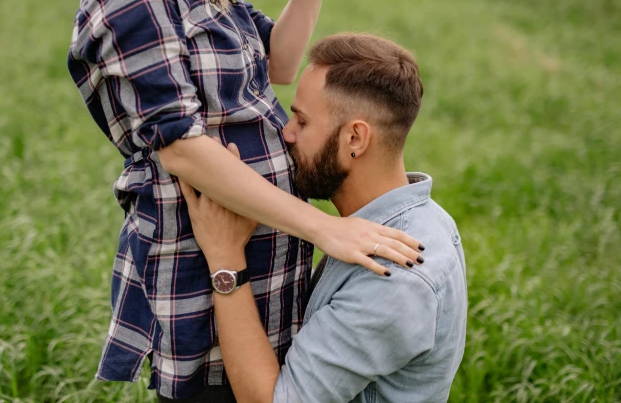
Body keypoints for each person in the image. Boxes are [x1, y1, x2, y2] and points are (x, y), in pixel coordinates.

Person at [67, 0, 424, 400]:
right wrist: (324, 228)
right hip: (201, 262)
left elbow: (279, 63)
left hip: (267, 263)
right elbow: (179, 144)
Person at [181, 33, 468, 403]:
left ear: (355, 139)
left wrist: (226, 260)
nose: (287, 133)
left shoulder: (393, 278)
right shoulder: (425, 218)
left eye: (301, 121)